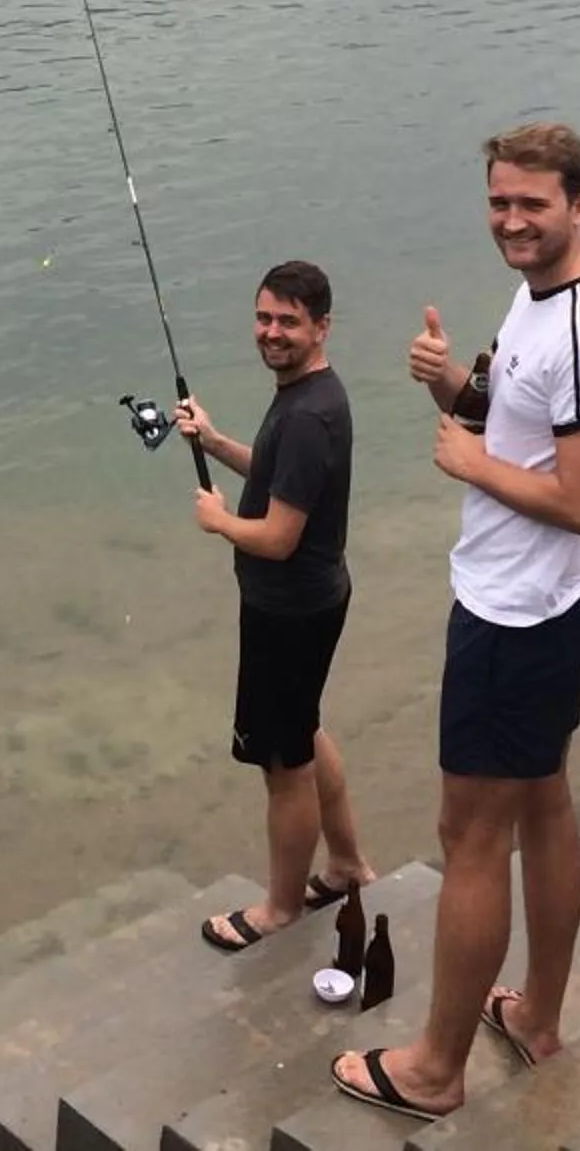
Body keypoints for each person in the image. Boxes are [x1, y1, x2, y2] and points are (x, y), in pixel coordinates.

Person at [331, 124, 580, 1120]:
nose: (512, 221)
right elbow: (523, 427)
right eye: (500, 203)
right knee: (543, 799)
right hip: (547, 597)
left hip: (521, 614)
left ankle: (434, 1070)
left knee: (469, 835)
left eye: (533, 205)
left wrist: (468, 464)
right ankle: (538, 1018)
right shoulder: (543, 295)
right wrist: (452, 393)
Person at [175, 260, 375, 951]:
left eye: (289, 321)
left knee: (282, 765)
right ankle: (347, 863)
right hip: (314, 598)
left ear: (322, 326)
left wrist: (220, 521)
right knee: (305, 730)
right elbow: (278, 472)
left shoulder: (310, 415)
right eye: (264, 318)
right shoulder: (308, 398)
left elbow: (279, 537)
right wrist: (213, 439)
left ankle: (281, 908)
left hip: (289, 610)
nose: (272, 332)